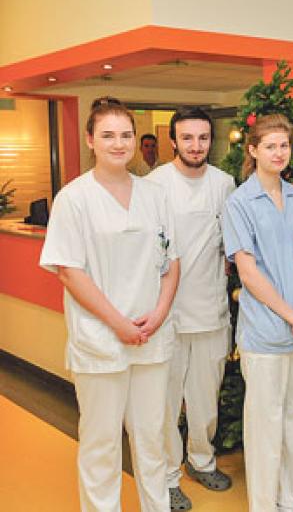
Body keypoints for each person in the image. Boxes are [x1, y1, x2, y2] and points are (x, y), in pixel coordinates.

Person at [40, 96, 180, 511]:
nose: (119, 144)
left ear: (136, 139)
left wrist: (157, 315)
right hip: (101, 340)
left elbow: (172, 263)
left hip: (151, 338)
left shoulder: (154, 194)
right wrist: (119, 324)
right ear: (90, 140)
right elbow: (69, 271)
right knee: (101, 444)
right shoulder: (74, 198)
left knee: (152, 440)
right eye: (108, 135)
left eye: (126, 135)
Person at [222, 114, 293, 511]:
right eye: (270, 146)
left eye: (284, 145)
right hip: (267, 332)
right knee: (265, 424)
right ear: (253, 150)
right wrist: (292, 316)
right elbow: (248, 273)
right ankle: (265, 505)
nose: (279, 152)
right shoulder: (239, 203)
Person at [145, 106, 236, 510]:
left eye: (202, 138)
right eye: (187, 138)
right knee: (165, 403)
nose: (196, 146)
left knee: (205, 399)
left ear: (210, 140)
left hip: (212, 309)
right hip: (166, 315)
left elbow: (231, 245)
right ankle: (166, 478)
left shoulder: (225, 183)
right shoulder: (154, 186)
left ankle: (201, 460)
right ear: (174, 141)